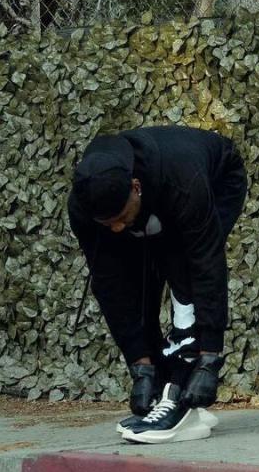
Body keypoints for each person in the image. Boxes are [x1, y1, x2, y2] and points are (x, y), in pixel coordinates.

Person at [67, 125, 248, 444]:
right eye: (108, 224)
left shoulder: (183, 180)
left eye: (121, 216)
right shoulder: (85, 208)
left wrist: (210, 357)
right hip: (153, 201)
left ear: (135, 187)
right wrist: (140, 363)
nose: (119, 227)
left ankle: (179, 394)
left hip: (217, 181)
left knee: (183, 267)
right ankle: (165, 385)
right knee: (137, 283)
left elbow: (207, 266)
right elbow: (112, 286)